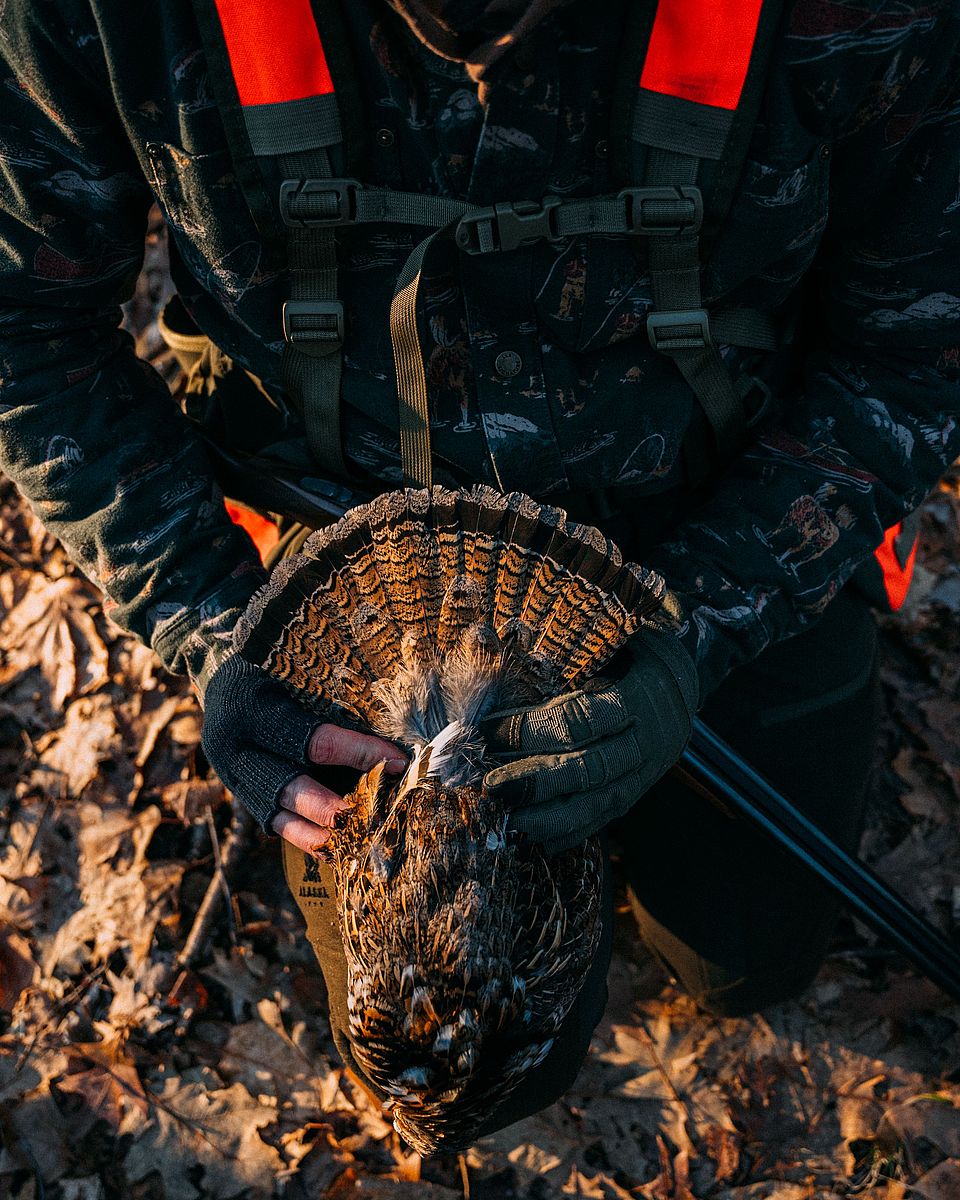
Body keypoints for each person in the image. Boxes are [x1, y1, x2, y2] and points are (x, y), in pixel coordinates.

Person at [1, 0, 957, 1136]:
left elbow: (915, 347)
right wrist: (220, 632)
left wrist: (698, 633)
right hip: (353, 583)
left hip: (719, 519)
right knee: (451, 1049)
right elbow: (28, 328)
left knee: (747, 961)